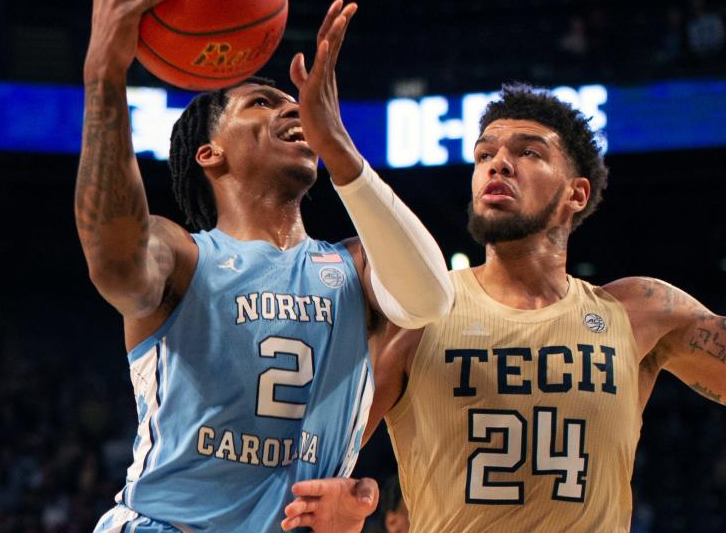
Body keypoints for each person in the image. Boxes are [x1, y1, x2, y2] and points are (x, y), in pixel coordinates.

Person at [76, 0, 454, 532]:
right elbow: (114, 262)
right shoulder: (184, 256)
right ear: (210, 154)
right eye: (260, 102)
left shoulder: (354, 267)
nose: (290, 109)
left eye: (294, 103)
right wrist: (104, 81)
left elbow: (431, 296)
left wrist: (344, 151)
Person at [281, 84, 725, 532]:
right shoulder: (418, 313)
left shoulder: (639, 312)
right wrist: (340, 505)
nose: (499, 163)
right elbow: (311, 467)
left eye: (529, 152)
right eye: (483, 154)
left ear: (577, 194)